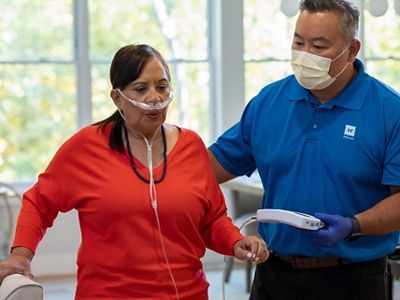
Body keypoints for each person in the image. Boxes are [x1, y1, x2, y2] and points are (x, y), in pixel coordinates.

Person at [0, 44, 269, 300]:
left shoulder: (191, 146)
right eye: (140, 89)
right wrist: (22, 255)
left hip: (187, 293)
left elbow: (212, 219)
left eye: (162, 87)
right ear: (117, 97)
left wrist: (236, 242)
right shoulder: (85, 147)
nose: (155, 98)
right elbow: (39, 202)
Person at [208, 1, 400, 299]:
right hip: (274, 274)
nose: (304, 54)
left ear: (352, 50)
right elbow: (208, 169)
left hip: (355, 278)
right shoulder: (269, 102)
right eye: (298, 42)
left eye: (319, 46)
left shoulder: (389, 111)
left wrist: (354, 225)